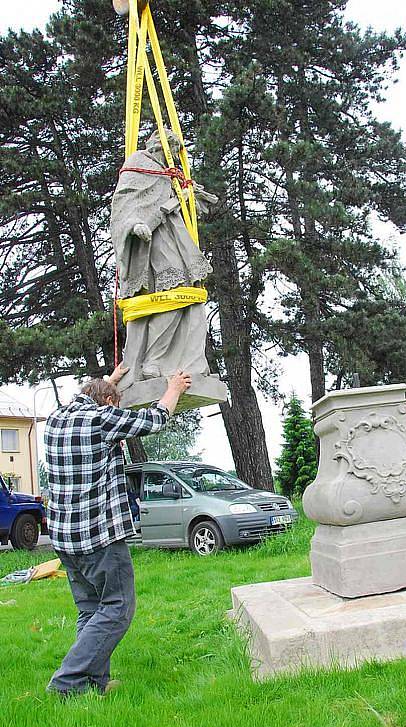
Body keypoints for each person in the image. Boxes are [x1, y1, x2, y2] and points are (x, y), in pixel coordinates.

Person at [44, 364, 191, 696]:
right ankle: (67, 682)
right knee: (118, 608)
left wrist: (106, 382)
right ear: (108, 403)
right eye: (115, 404)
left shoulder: (55, 420)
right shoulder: (100, 420)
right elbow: (154, 420)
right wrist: (175, 388)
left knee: (90, 611)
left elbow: (83, 396)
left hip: (66, 541)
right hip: (99, 537)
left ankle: (93, 684)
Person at [110, 128, 218, 393]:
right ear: (159, 144)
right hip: (152, 242)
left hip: (176, 237)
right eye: (171, 148)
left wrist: (190, 194)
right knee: (173, 295)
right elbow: (123, 203)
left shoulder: (169, 170)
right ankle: (153, 361)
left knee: (186, 299)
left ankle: (167, 361)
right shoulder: (139, 162)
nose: (173, 155)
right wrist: (135, 225)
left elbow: (188, 200)